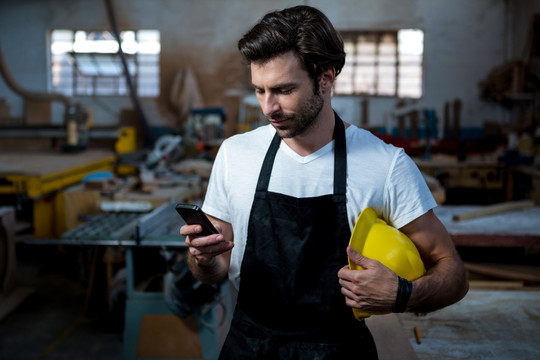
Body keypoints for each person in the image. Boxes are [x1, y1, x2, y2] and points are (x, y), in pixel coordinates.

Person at [181, 5, 468, 359]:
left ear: (327, 78)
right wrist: (203, 259)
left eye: (284, 90)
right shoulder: (235, 154)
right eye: (259, 90)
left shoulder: (385, 165)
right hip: (249, 345)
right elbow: (214, 270)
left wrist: (401, 294)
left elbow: (454, 275)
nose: (268, 107)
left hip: (339, 350)